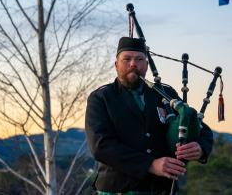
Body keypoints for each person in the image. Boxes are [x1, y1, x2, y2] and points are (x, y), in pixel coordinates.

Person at [85, 37, 213, 195]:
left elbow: (199, 126)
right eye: (127, 59)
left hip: (162, 189)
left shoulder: (166, 93)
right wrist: (150, 164)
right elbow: (100, 146)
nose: (133, 64)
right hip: (118, 188)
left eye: (139, 59)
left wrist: (200, 147)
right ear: (116, 65)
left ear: (146, 65)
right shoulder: (101, 97)